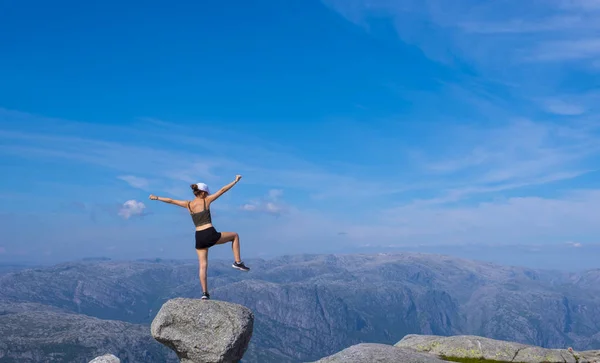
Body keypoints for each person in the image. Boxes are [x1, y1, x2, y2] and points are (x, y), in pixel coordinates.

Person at [149, 175, 249, 300]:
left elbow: (171, 200)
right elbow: (222, 190)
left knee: (202, 265)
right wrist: (235, 181)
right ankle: (238, 262)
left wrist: (156, 197)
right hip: (209, 233)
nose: (208, 195)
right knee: (234, 235)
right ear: (203, 193)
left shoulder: (188, 204)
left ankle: (204, 293)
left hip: (199, 237)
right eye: (207, 193)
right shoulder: (205, 201)